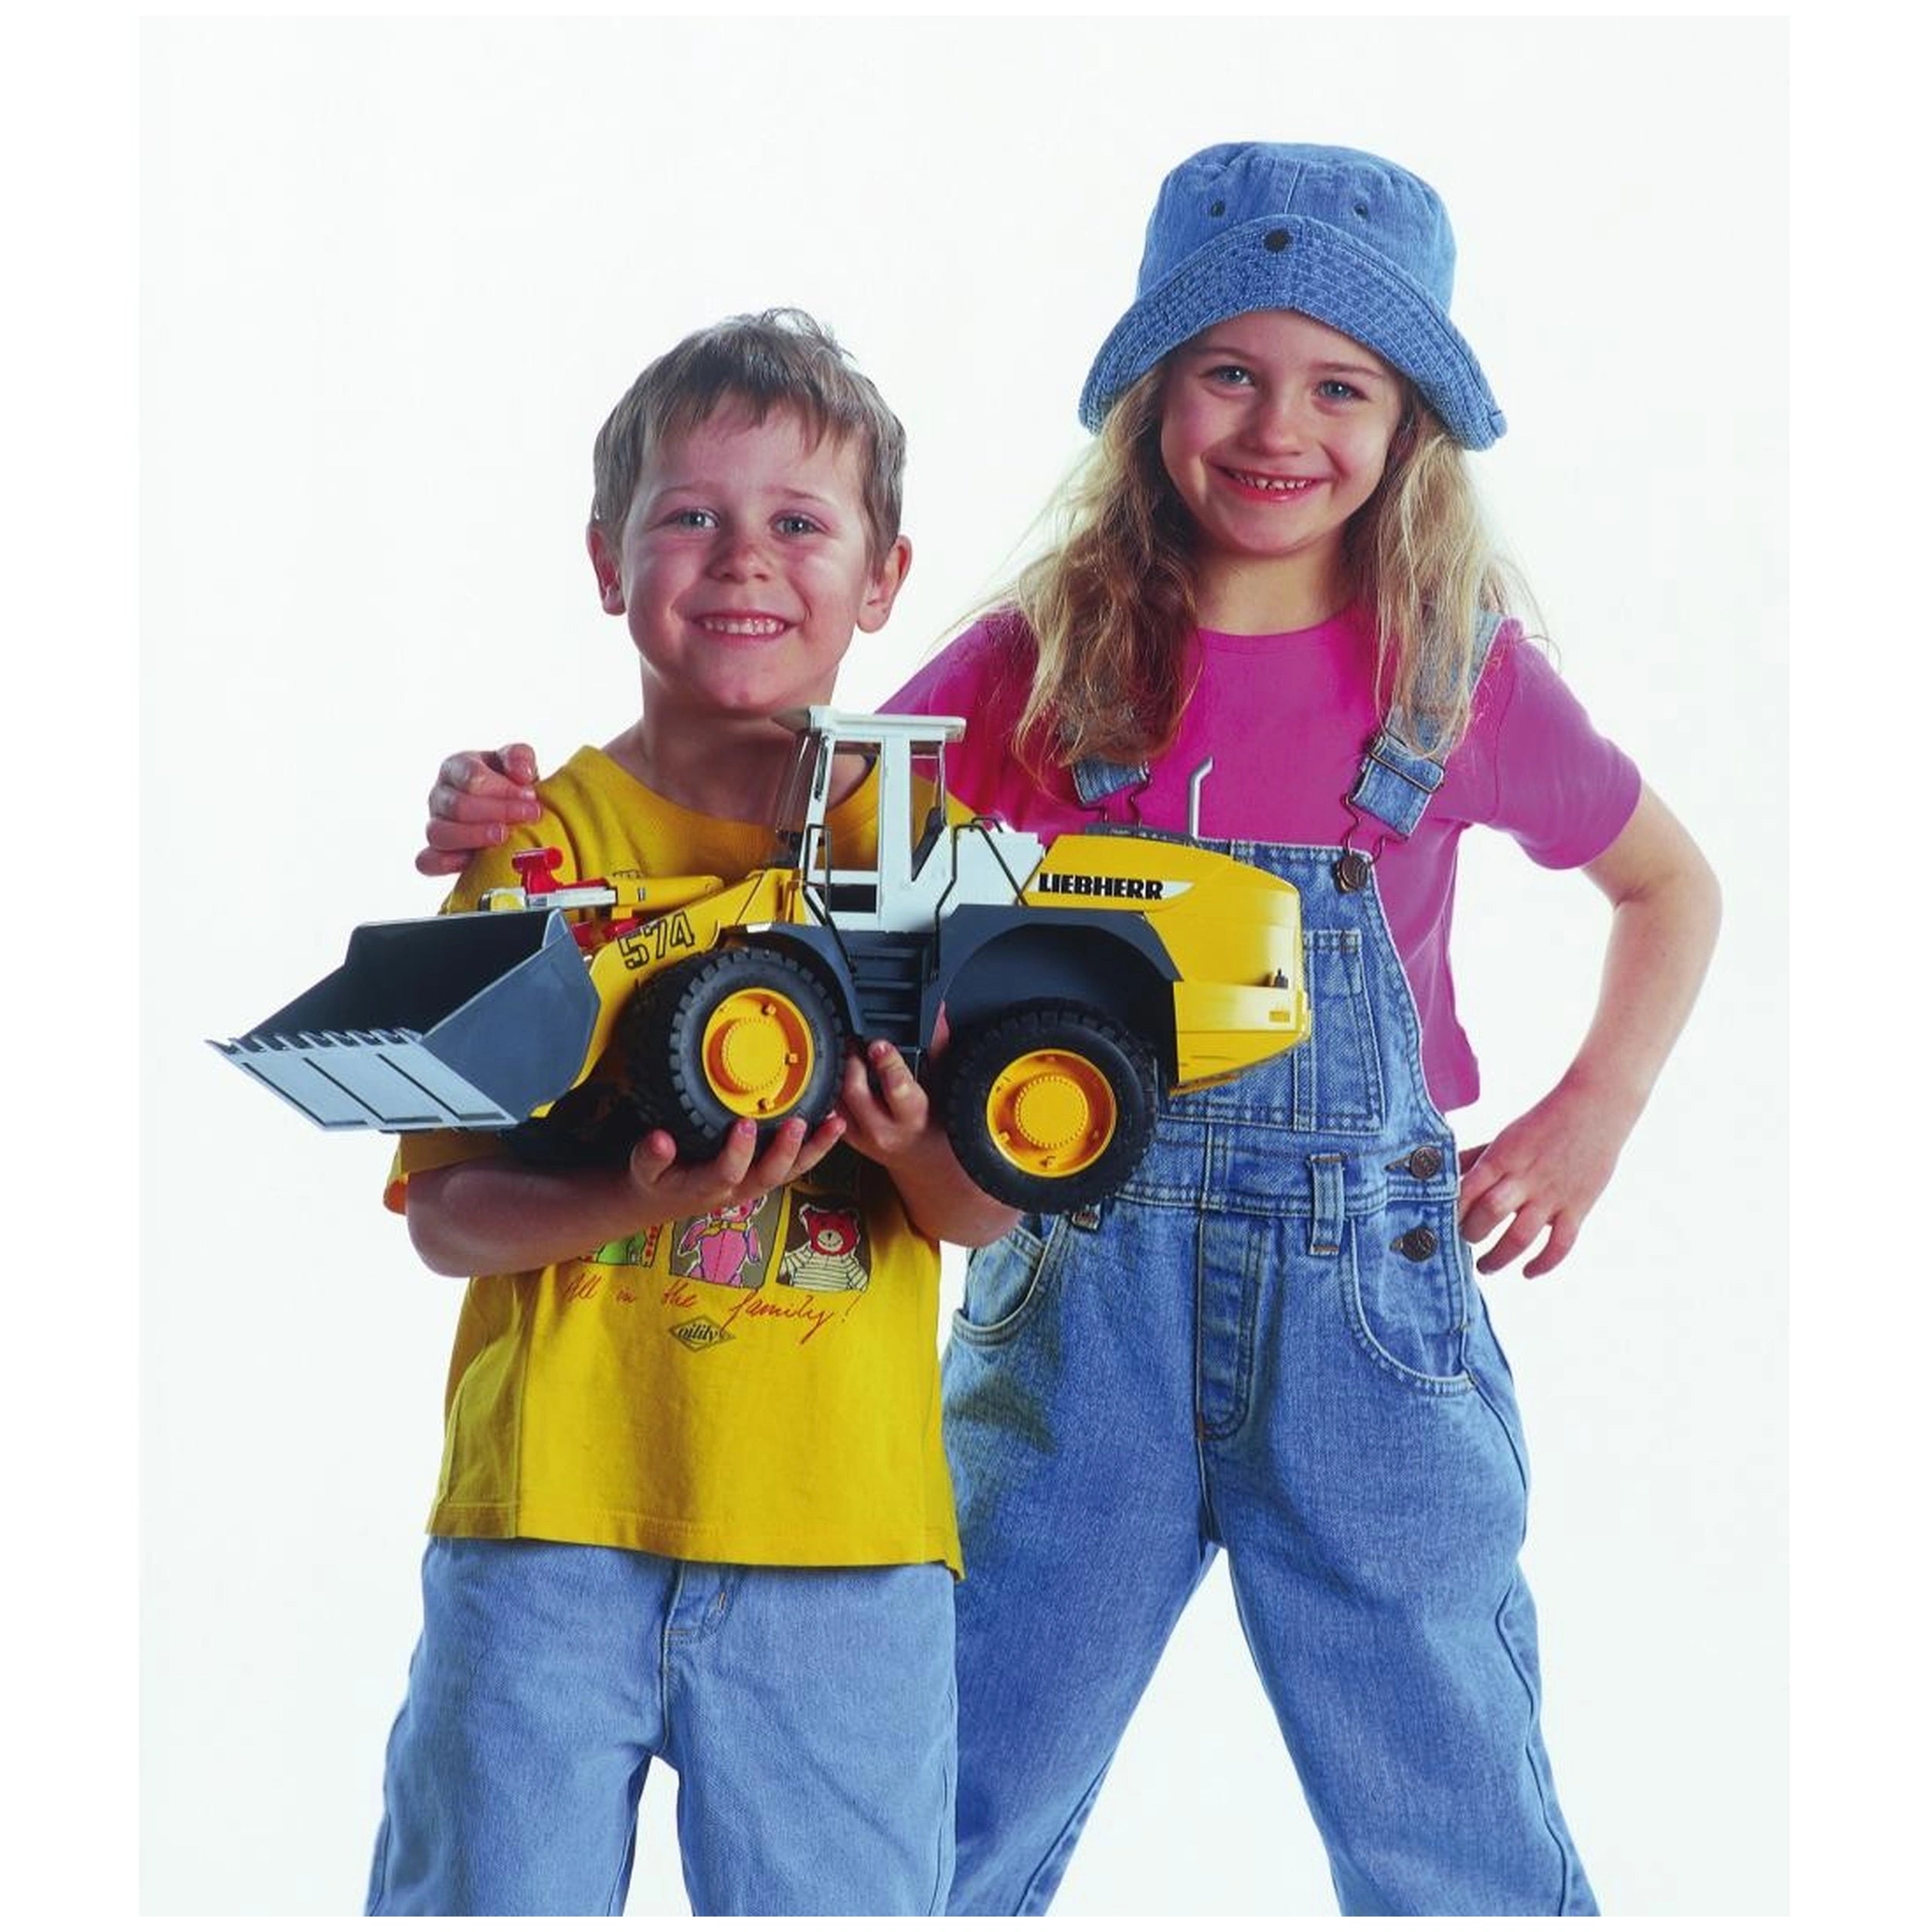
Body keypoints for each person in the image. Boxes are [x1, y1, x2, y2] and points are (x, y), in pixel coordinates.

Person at [413, 145, 1721, 1916]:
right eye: (1227, 371)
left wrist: (1593, 1110)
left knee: (1444, 1793)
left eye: (1340, 383)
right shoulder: (1056, 651)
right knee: (952, 1807)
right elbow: (808, 807)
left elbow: (1668, 884)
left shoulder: (1455, 668)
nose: (1279, 425)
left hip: (1366, 1306)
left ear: (1406, 422)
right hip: (1069, 1285)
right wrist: (525, 815)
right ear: (1150, 396)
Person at [366, 308, 1017, 1917]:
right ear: (608, 559)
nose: (743, 559)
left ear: (883, 577)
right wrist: (633, 1198)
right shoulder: (529, 847)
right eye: (690, 515)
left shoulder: (933, 852)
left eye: (799, 522)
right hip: (546, 1526)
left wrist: (900, 1137)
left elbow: (979, 1208)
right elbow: (449, 1212)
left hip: (844, 1545)